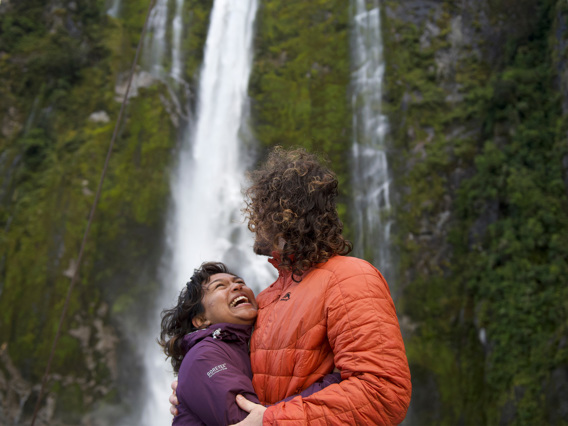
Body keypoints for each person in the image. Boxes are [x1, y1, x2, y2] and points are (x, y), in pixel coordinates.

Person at [170, 147, 412, 425]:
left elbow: (383, 393)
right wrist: (192, 391)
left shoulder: (350, 278)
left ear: (280, 214)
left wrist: (273, 421)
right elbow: (230, 372)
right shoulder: (266, 299)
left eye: (258, 210)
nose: (253, 222)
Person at [159, 261, 341, 425]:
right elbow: (250, 420)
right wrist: (333, 382)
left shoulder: (246, 348)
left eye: (240, 282)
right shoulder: (203, 356)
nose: (237, 286)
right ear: (200, 319)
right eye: (220, 286)